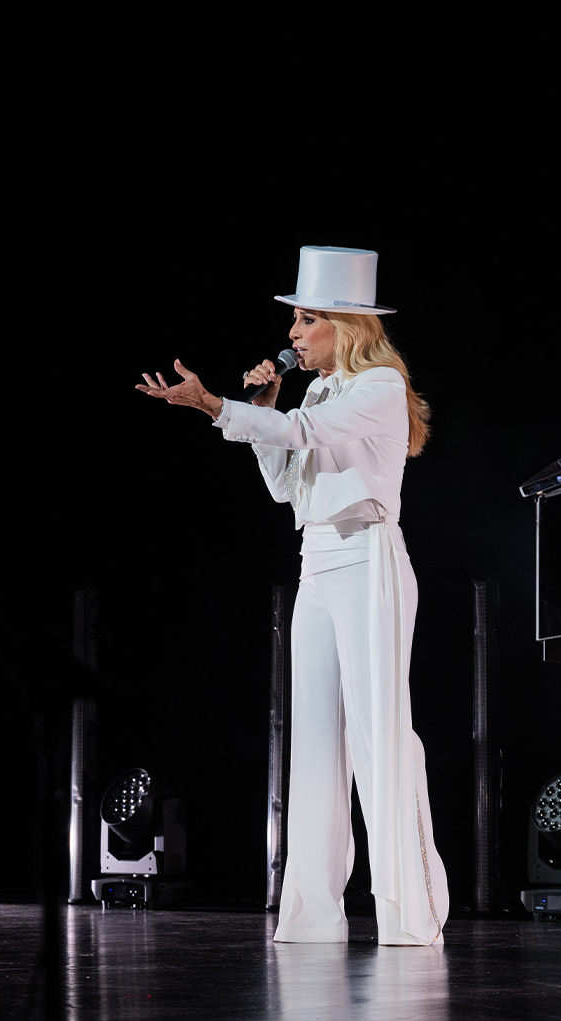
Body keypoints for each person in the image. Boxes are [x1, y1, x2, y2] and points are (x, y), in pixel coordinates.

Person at [137, 245, 450, 946]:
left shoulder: (379, 386)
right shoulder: (313, 393)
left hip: (367, 557)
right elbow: (285, 486)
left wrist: (214, 406)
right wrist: (259, 409)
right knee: (313, 739)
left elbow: (307, 436)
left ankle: (410, 914)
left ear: (348, 325)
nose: (293, 334)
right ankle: (312, 915)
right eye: (296, 320)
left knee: (379, 735)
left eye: (308, 320)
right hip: (317, 562)